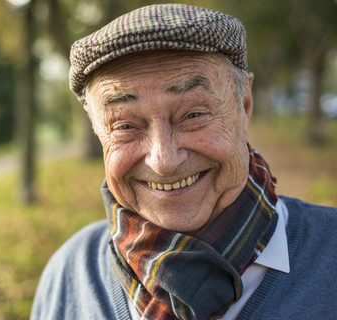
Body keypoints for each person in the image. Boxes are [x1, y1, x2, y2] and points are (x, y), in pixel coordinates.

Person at [31, 4, 337, 320]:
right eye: (124, 125)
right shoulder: (69, 273)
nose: (163, 161)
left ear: (244, 105)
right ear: (98, 132)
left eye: (193, 115)